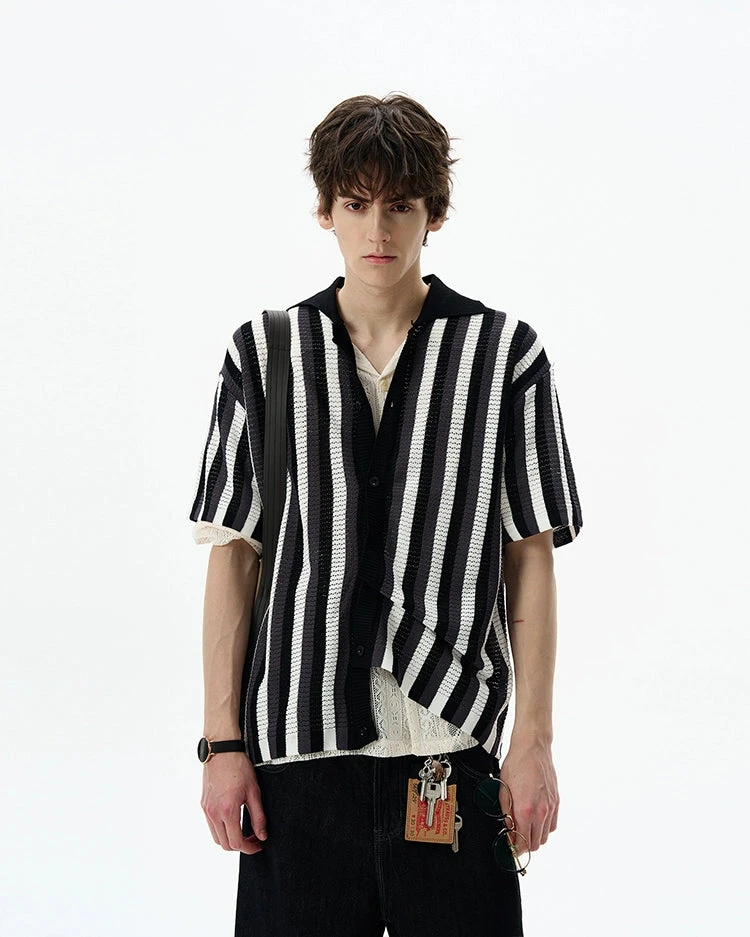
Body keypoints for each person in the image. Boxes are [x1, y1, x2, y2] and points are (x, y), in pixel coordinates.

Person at [188, 92, 582, 937]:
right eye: (357, 203)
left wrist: (534, 742)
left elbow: (531, 555)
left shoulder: (504, 358)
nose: (378, 229)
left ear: (434, 212)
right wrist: (222, 744)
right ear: (324, 209)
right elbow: (234, 553)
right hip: (298, 759)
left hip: (447, 749)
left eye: (400, 205)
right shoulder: (263, 355)